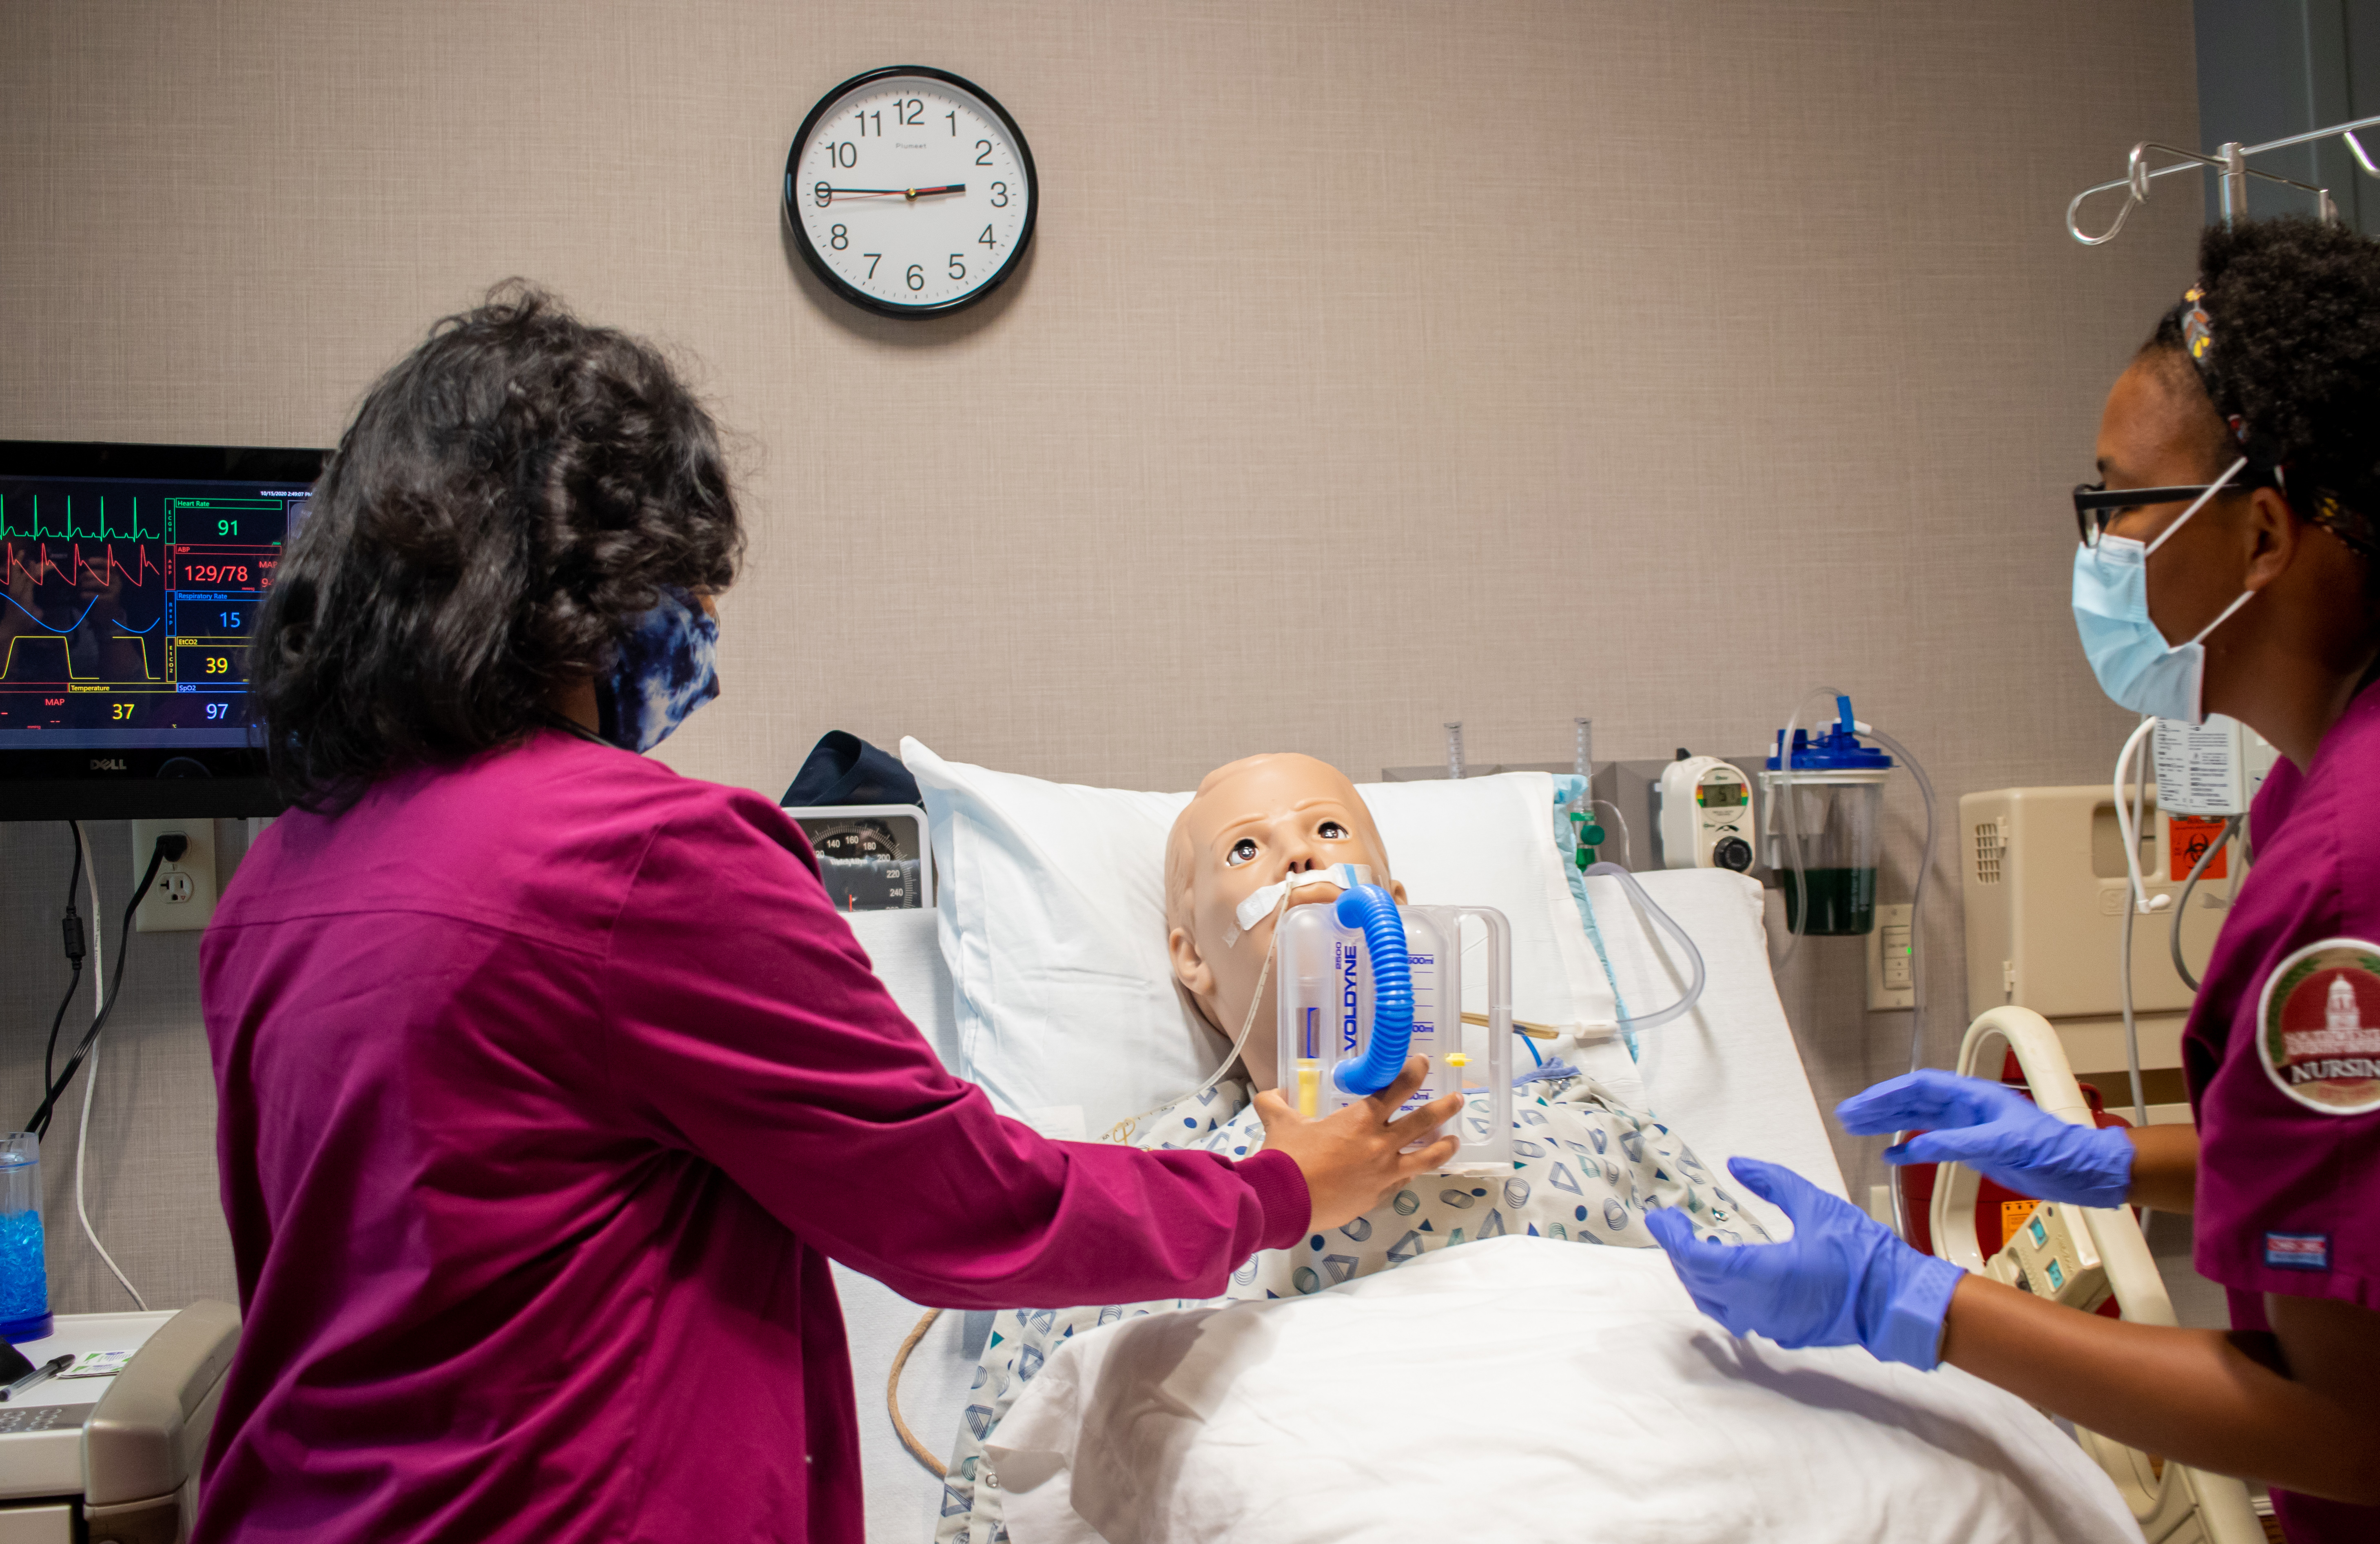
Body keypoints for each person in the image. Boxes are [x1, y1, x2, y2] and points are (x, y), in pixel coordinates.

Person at [194, 287, 1465, 1544]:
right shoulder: (642, 855)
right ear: (599, 586)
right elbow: (969, 1211)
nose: (698, 627)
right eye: (681, 583)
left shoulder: (274, 888)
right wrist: (1273, 1189)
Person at [1645, 217, 2380, 1541]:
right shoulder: (2370, 763)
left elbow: (2354, 1432)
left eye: (2118, 503)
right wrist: (2108, 1159)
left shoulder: (2360, 870)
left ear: (2260, 537)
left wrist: (1913, 1302)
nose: (2094, 551)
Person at [933, 750, 1767, 1540]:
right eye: (1247, 847)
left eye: (1328, 831)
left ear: (1395, 901)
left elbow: (1762, 1294)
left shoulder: (1575, 1112)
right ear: (1190, 956)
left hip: (1622, 1456)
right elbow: (1016, 1442)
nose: (1300, 857)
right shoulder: (1153, 1179)